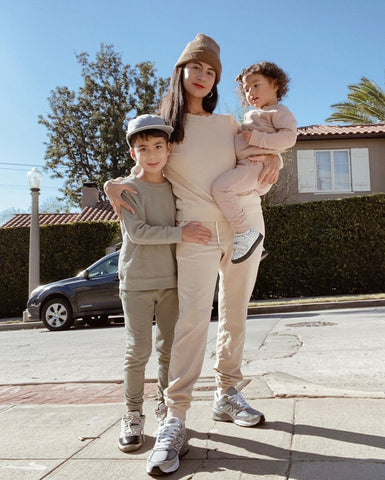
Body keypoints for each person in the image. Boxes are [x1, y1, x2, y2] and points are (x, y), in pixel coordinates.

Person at [104, 34, 281, 475]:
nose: (202, 76)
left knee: (236, 314)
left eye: (211, 71)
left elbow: (259, 157)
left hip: (245, 225)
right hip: (196, 233)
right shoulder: (167, 130)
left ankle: (226, 393)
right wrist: (115, 182)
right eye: (195, 68)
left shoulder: (227, 124)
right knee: (192, 321)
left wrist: (273, 163)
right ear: (180, 72)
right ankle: (176, 417)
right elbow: (145, 163)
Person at [117, 114, 212, 454]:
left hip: (172, 282)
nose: (152, 154)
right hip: (137, 283)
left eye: (158, 146)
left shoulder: (175, 186)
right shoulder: (126, 188)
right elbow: (137, 233)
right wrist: (181, 233)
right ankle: (131, 414)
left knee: (169, 352)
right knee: (138, 351)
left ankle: (164, 409)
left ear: (169, 149)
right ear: (133, 154)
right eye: (143, 148)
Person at [211, 61, 297, 264]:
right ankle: (256, 243)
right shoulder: (256, 114)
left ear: (275, 84)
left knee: (220, 188)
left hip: (254, 167)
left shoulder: (278, 112)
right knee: (238, 201)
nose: (250, 92)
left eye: (256, 85)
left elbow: (288, 138)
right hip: (250, 167)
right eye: (246, 89)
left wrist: (257, 139)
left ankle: (244, 234)